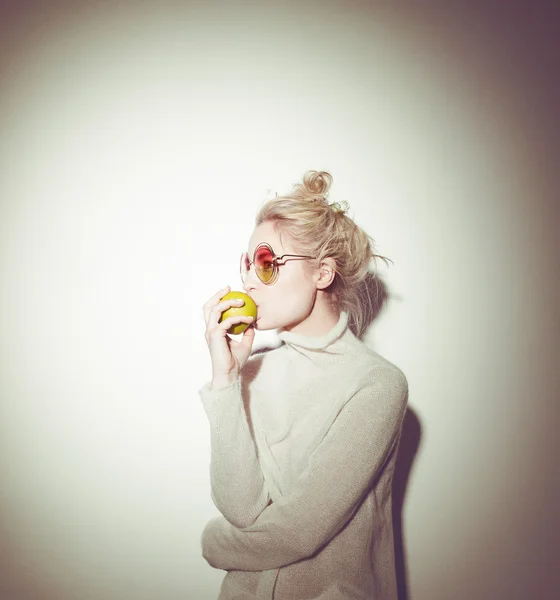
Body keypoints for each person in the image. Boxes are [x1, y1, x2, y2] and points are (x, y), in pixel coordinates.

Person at [199, 170, 408, 600]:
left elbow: (298, 531)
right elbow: (241, 508)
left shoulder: (377, 385)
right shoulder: (253, 371)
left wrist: (213, 543)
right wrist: (227, 379)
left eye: (266, 262)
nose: (250, 280)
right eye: (248, 263)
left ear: (323, 273)